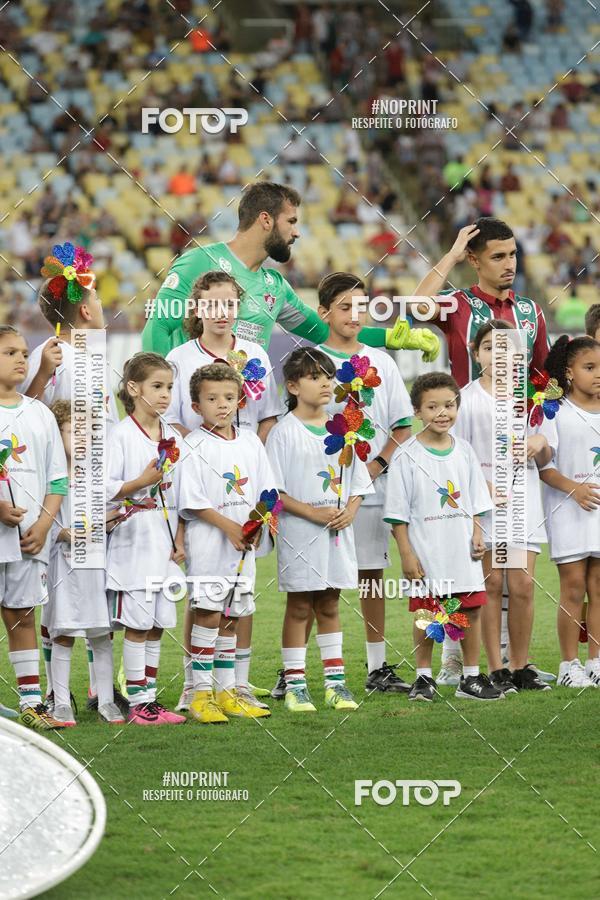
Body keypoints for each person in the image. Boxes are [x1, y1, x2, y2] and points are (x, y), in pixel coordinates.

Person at [141, 181, 440, 359]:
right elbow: (157, 329)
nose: (297, 233)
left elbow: (326, 332)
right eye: (292, 222)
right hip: (192, 412)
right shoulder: (199, 261)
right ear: (266, 220)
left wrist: (391, 339)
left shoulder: (276, 286)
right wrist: (165, 401)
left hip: (244, 416)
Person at [166, 270, 281, 714]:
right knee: (205, 601)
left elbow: (267, 415)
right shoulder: (180, 357)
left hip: (244, 483)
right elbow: (173, 422)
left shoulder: (253, 353)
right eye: (212, 304)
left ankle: (233, 687)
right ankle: (196, 690)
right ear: (197, 308)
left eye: (229, 304)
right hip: (207, 488)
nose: (221, 312)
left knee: (237, 605)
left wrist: (255, 508)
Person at [314, 272, 413, 693]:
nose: (355, 314)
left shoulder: (382, 361)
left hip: (371, 488)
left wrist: (375, 468)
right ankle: (295, 671)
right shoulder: (310, 361)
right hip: (321, 490)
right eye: (345, 306)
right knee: (318, 581)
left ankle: (377, 667)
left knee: (372, 575)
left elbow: (402, 427)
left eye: (361, 305)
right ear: (324, 313)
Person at [384, 372, 504, 702]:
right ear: (417, 412)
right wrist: (407, 554)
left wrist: (478, 534)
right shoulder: (406, 455)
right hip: (426, 552)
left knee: (471, 610)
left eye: (449, 405)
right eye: (432, 406)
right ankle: (423, 677)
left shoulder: (464, 451)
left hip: (462, 549)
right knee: (428, 612)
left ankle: (470, 678)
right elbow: (397, 514)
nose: (442, 413)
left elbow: (477, 500)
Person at [448, 321, 554, 693]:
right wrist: (482, 485)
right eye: (491, 347)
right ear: (477, 355)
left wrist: (539, 440)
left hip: (522, 501)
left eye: (508, 347)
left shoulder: (533, 400)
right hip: (486, 506)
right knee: (492, 583)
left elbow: (550, 448)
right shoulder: (467, 399)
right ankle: (496, 668)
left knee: (522, 584)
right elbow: (456, 454)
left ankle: (522, 665)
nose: (500, 355)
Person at [266, 348, 374, 712]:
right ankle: (296, 684)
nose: (326, 382)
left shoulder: (347, 427)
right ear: (293, 386)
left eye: (328, 376)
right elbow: (275, 493)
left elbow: (358, 482)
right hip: (300, 532)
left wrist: (351, 510)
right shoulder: (283, 433)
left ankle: (335, 684)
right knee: (299, 606)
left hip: (337, 532)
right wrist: (311, 512)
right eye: (315, 377)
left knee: (330, 603)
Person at [178, 363, 274, 723]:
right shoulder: (193, 444)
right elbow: (191, 500)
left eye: (229, 398)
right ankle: (200, 694)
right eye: (212, 398)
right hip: (210, 542)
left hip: (243, 545)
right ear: (196, 405)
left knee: (233, 616)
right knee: (208, 612)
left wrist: (259, 523)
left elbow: (268, 490)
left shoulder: (250, 440)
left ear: (240, 400)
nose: (222, 404)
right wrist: (230, 527)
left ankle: (227, 690)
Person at [107, 353, 187, 725]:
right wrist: (141, 482)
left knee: (157, 623)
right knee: (137, 624)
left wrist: (181, 535)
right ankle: (137, 700)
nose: (165, 395)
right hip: (132, 538)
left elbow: (182, 490)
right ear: (133, 388)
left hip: (165, 539)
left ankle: (149, 699)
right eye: (157, 386)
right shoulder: (119, 436)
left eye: (169, 387)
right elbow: (105, 491)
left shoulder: (171, 434)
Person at [0, 324, 67, 729]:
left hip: (28, 540)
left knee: (23, 615)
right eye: (10, 352)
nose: (22, 359)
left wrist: (43, 524)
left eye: (25, 352)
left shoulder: (39, 413)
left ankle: (31, 701)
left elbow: (58, 479)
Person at [43, 401, 124, 725]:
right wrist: (64, 533)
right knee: (63, 632)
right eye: (71, 431)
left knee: (100, 634)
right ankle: (61, 702)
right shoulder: (52, 478)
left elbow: (101, 514)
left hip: (96, 566)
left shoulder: (94, 476)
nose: (80, 439)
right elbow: (45, 522)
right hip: (63, 567)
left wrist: (110, 519)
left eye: (86, 432)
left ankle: (105, 701)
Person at [412, 218, 550, 388]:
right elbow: (417, 305)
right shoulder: (457, 303)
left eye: (512, 255)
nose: (509, 265)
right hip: (465, 414)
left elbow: (543, 377)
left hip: (517, 413)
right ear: (474, 260)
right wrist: (453, 256)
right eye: (498, 257)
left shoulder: (531, 311)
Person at [539, 336, 600, 687]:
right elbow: (546, 469)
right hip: (568, 509)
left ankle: (595, 660)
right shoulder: (555, 412)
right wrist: (574, 489)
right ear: (569, 372)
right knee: (574, 587)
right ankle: (568, 665)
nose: (596, 375)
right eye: (589, 368)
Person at [20, 242, 118, 423]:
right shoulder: (49, 358)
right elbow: (24, 418)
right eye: (96, 298)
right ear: (86, 311)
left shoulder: (91, 357)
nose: (101, 304)